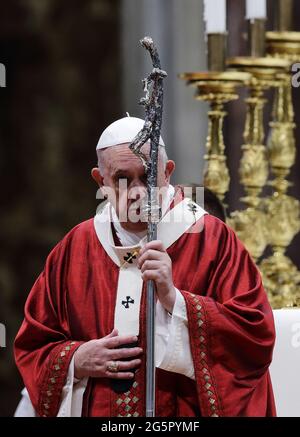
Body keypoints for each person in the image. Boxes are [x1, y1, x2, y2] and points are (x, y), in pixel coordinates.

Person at [14, 116, 276, 417]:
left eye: (148, 176)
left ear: (167, 172)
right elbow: (34, 345)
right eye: (122, 179)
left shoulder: (211, 238)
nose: (138, 191)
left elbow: (254, 337)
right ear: (101, 181)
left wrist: (175, 300)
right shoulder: (76, 248)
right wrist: (77, 359)